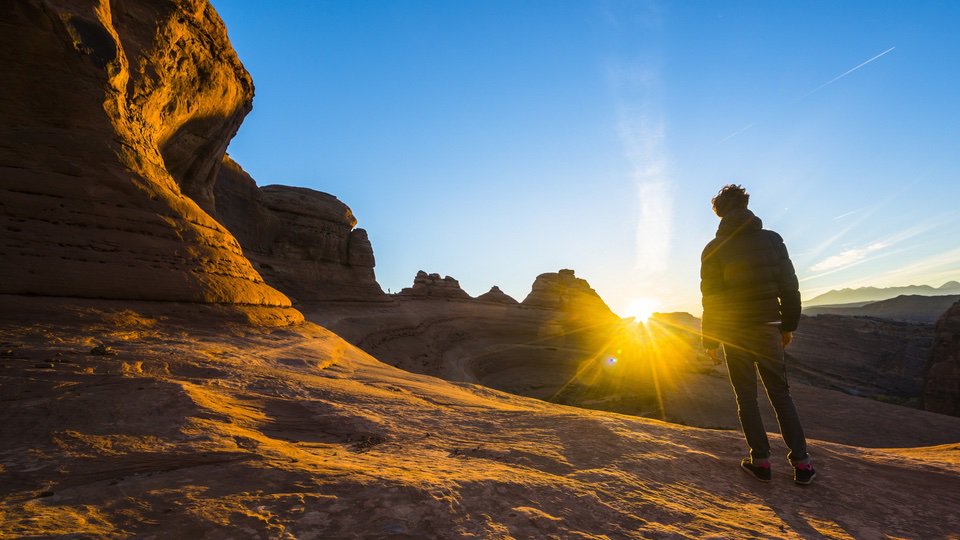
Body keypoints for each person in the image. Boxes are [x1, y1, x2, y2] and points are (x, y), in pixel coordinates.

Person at [700, 184, 816, 485]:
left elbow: (711, 300)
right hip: (768, 328)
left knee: (746, 397)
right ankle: (802, 465)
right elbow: (790, 287)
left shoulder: (714, 249)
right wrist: (788, 326)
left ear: (719, 212)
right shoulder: (772, 240)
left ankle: (761, 461)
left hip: (735, 333)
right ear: (746, 205)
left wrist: (710, 340)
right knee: (781, 394)